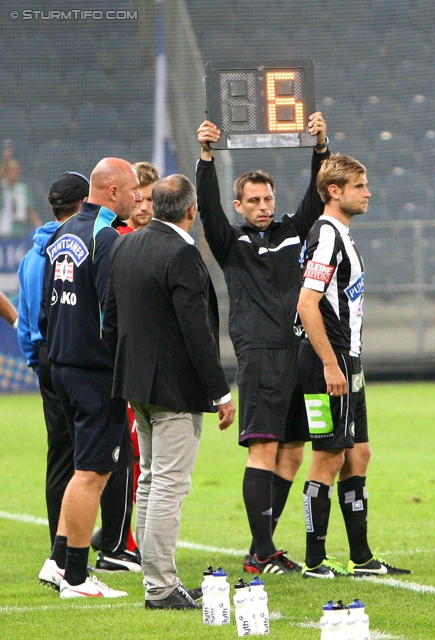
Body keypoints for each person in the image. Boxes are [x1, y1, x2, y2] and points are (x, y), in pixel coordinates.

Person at [196, 114, 329, 574]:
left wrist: (320, 147)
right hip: (260, 356)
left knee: (293, 450)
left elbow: (316, 196)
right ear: (239, 206)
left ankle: (263, 547)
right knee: (264, 448)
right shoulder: (231, 243)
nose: (263, 205)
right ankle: (262, 549)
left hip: (298, 351)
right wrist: (206, 157)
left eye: (268, 198)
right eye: (253, 200)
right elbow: (208, 211)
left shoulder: (293, 232)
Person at [104, 173, 236, 610]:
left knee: (149, 482)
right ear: (191, 210)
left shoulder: (125, 244)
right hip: (174, 390)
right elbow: (196, 331)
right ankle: (161, 587)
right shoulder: (181, 252)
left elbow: (110, 317)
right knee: (168, 486)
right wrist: (220, 393)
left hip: (136, 384)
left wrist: (127, 366)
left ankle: (155, 581)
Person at [18, 171, 140, 577]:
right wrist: (122, 363)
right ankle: (76, 575)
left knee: (76, 468)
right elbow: (113, 311)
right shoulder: (104, 238)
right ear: (113, 191)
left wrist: (54, 353)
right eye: (134, 190)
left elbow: (47, 309)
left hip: (62, 366)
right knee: (93, 473)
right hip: (95, 371)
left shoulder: (62, 233)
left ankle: (58, 562)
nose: (138, 198)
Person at [296, 154, 411, 578]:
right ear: (334, 191)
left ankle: (361, 557)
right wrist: (329, 363)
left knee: (358, 452)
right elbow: (307, 304)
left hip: (348, 359)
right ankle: (313, 560)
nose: (368, 192)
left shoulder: (341, 235)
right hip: (329, 361)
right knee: (328, 455)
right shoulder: (326, 235)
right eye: (360, 186)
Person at [92, 160, 160, 557]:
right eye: (139, 196)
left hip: (142, 364)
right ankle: (121, 541)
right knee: (128, 459)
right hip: (124, 365)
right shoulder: (115, 239)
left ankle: (120, 537)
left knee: (137, 460)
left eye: (151, 198)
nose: (143, 204)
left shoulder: (149, 240)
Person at [0, 159, 41, 237]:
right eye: (11, 170)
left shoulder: (23, 189)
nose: (15, 173)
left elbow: (29, 211)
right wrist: (5, 162)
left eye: (17, 170)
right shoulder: (2, 188)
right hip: (3, 232)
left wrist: (39, 226)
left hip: (20, 233)